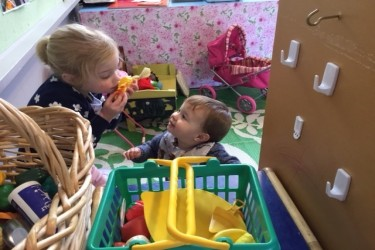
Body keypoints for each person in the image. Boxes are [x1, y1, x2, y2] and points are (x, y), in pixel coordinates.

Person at [28, 23, 138, 185]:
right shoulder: (59, 101)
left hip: (75, 159)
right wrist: (105, 115)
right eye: (106, 75)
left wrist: (115, 107)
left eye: (116, 69)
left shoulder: (87, 86)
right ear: (71, 78)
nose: (116, 78)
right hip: (49, 171)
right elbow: (80, 149)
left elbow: (108, 125)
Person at [123, 95, 240, 164]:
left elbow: (234, 165)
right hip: (170, 184)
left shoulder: (212, 152)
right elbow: (150, 148)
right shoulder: (166, 138)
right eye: (179, 110)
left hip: (199, 190)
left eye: (183, 116)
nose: (174, 115)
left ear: (199, 137)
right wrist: (139, 152)